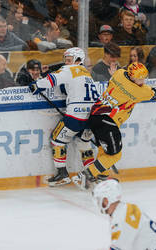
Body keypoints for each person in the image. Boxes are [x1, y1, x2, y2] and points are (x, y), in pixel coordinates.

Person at [72, 63, 156, 190]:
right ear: (132, 78)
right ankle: (85, 175)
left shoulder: (119, 74)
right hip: (107, 121)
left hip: (95, 116)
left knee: (105, 151)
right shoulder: (138, 91)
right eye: (141, 78)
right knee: (115, 155)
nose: (143, 81)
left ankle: (102, 178)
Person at [29, 47, 99, 187]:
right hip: (91, 116)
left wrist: (36, 85)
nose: (66, 63)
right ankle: (91, 174)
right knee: (84, 143)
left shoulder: (69, 69)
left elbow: (50, 80)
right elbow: (71, 86)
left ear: (78, 60)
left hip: (75, 116)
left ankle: (62, 174)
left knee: (57, 139)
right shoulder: (87, 73)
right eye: (66, 60)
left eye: (69, 60)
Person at [92, 179, 156, 250]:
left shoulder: (120, 217)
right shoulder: (125, 209)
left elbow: (118, 247)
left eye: (99, 199)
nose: (98, 203)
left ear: (107, 200)